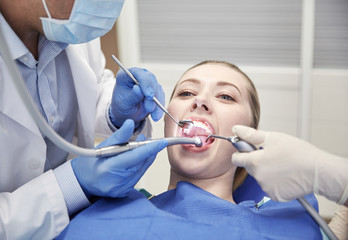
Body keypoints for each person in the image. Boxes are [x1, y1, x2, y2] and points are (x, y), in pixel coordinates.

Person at [57, 60, 322, 239]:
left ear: (250, 135)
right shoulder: (100, 205)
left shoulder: (282, 220)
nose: (200, 101)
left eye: (226, 96)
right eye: (185, 93)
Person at [0, 0, 167, 239]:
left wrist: (116, 115)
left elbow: (91, 89)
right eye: (187, 92)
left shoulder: (66, 24)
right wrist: (71, 184)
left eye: (226, 96)